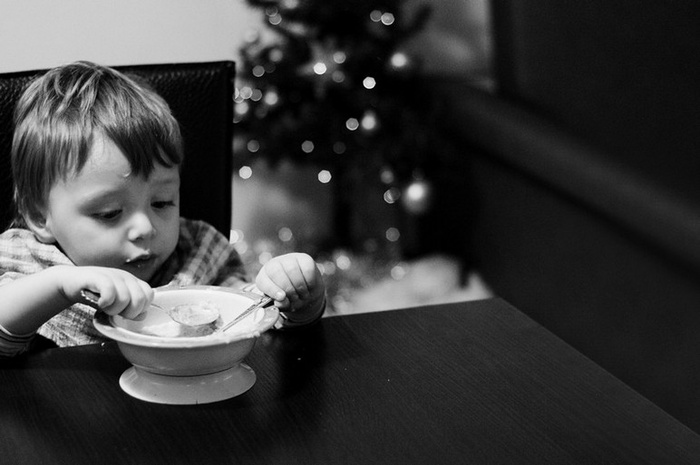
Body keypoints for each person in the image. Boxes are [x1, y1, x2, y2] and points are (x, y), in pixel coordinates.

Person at [0, 61, 326, 357]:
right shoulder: (25, 260)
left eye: (162, 202)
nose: (146, 227)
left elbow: (249, 319)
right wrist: (60, 285)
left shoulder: (196, 251)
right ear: (40, 216)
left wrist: (295, 301)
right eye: (110, 212)